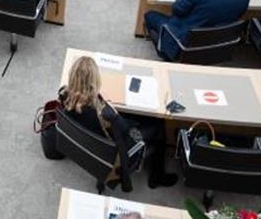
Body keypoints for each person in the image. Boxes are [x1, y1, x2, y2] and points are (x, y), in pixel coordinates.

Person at [58, 55, 176, 192]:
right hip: (118, 151)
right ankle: (157, 175)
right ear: (94, 80)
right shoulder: (107, 115)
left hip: (91, 143)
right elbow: (127, 129)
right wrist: (121, 116)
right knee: (159, 124)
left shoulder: (65, 96)